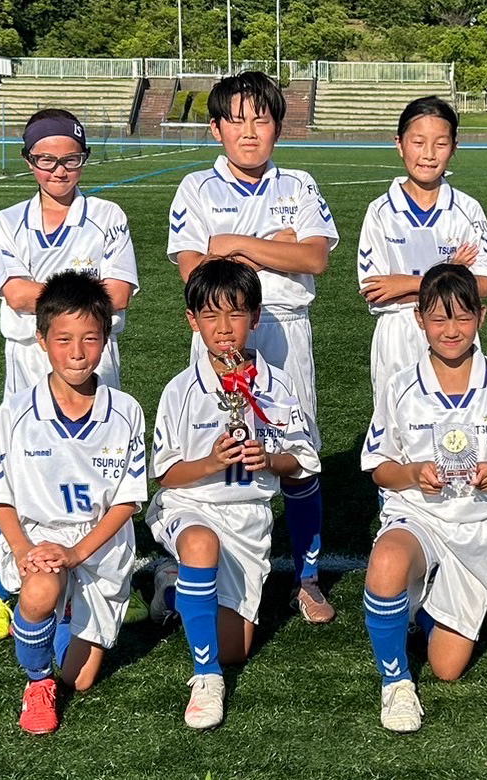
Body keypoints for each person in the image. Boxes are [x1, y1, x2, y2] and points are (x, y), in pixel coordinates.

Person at [165, 71, 338, 623]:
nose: (248, 131)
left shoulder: (300, 185)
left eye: (260, 119)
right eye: (236, 120)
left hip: (285, 325)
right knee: (218, 445)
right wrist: (275, 247)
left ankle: (307, 578)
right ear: (216, 128)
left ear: (278, 127)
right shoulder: (196, 188)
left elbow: (314, 258)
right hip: (221, 328)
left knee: (298, 453)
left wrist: (234, 245)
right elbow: (195, 273)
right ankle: (196, 558)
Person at [360, 264, 487, 733]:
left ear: (481, 316)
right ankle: (396, 683)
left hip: (479, 524)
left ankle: (421, 604)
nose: (451, 330)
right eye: (439, 319)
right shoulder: (401, 385)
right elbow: (379, 466)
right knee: (387, 560)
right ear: (419, 319)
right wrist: (412, 473)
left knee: (446, 668)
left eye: (462, 317)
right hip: (418, 512)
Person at [0, 108, 139, 641]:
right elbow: (15, 292)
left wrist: (56, 304)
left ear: (83, 160)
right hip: (28, 358)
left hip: (91, 355)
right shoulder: (8, 221)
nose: (59, 170)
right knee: (15, 471)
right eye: (46, 159)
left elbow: (120, 292)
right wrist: (80, 298)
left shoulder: (108, 216)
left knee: (98, 467)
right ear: (29, 161)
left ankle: (89, 576)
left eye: (70, 159)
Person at [147, 258, 320, 730]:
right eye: (210, 315)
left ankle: (173, 585)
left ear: (256, 317)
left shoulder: (278, 384)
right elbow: (166, 476)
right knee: (200, 545)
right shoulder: (180, 390)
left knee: (235, 648)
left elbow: (303, 460)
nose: (224, 328)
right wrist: (211, 462)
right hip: (190, 506)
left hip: (248, 517)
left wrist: (271, 459)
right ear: (192, 321)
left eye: (236, 313)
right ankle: (207, 680)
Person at [0, 271, 147, 735]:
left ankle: (70, 610)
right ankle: (38, 682)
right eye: (63, 339)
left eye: (90, 339)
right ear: (41, 340)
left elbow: (127, 502)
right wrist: (24, 552)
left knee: (80, 679)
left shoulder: (126, 411)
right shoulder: (14, 412)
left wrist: (76, 554)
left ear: (106, 339)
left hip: (99, 546)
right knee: (40, 589)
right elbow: (1, 498)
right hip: (40, 538)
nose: (77, 352)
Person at [357, 96, 487, 406]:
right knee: (397, 420)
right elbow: (376, 291)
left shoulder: (468, 210)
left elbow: (483, 285)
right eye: (418, 142)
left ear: (454, 147)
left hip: (454, 329)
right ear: (399, 144)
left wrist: (407, 283)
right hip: (396, 332)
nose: (429, 154)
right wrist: (452, 273)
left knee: (458, 419)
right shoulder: (380, 211)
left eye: (441, 144)